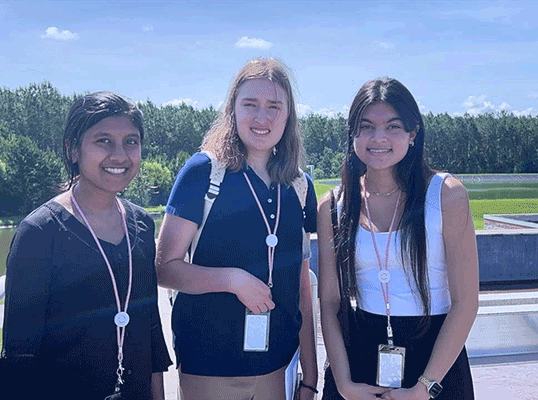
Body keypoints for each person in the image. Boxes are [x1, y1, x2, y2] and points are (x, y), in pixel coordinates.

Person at [155, 58, 318, 400]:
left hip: (280, 365)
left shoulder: (299, 186)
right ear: (232, 109)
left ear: (289, 115)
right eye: (250, 104)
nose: (263, 117)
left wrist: (310, 374)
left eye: (275, 106)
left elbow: (302, 285)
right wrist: (232, 280)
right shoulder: (203, 172)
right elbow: (164, 268)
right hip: (209, 363)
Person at [0, 92, 172, 400]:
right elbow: (19, 359)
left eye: (131, 141)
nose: (120, 155)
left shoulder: (142, 224)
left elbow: (150, 332)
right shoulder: (40, 233)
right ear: (73, 149)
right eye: (104, 141)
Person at [317, 78, 479, 400]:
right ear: (353, 134)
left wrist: (425, 387)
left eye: (393, 127)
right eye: (366, 127)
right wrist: (345, 384)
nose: (379, 138)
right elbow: (331, 303)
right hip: (359, 360)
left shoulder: (446, 195)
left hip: (435, 362)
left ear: (412, 133)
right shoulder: (333, 206)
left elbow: (465, 303)